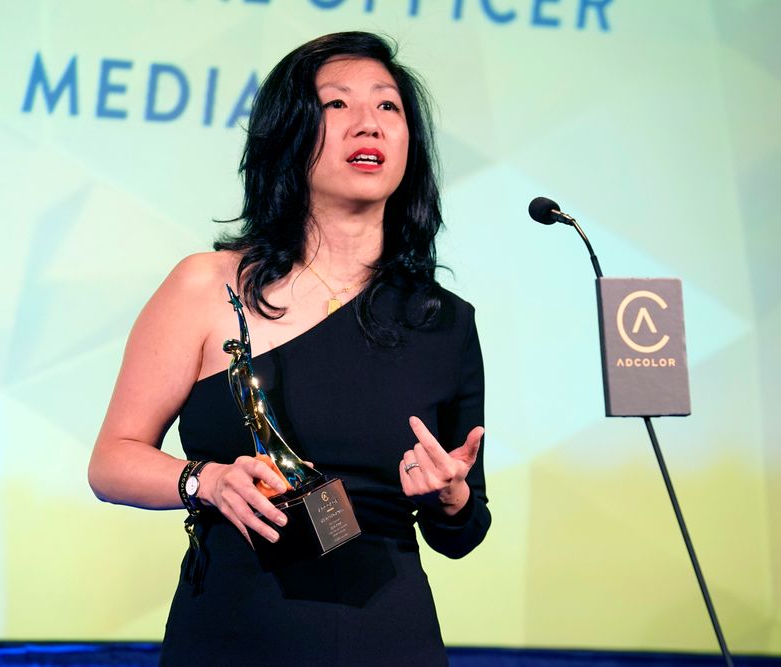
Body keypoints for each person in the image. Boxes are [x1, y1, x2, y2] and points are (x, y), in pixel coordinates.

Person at [88, 31, 490, 666]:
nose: (370, 124)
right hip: (236, 629)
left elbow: (464, 532)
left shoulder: (444, 322)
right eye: (337, 106)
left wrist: (449, 496)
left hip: (387, 636)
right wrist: (207, 481)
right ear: (290, 134)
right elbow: (111, 462)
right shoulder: (207, 284)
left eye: (389, 107)